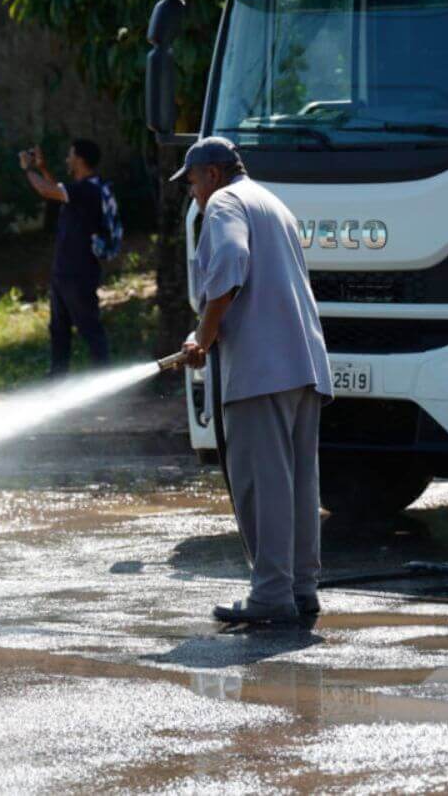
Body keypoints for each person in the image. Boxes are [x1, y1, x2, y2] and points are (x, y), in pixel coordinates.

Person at [176, 137, 332, 625]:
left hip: (263, 369)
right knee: (298, 484)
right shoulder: (270, 201)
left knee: (262, 485)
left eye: (194, 183)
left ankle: (269, 594)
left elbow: (229, 263)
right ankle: (300, 588)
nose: (194, 196)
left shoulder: (224, 204)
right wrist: (206, 331)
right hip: (302, 363)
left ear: (214, 175)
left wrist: (203, 336)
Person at [20, 139, 111, 376]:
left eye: (70, 155)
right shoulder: (82, 189)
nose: (67, 160)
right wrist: (42, 168)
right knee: (59, 330)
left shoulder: (88, 189)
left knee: (89, 328)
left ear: (80, 159)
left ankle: (104, 381)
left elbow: (46, 190)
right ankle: (58, 380)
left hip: (77, 274)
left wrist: (28, 169)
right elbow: (57, 192)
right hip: (65, 273)